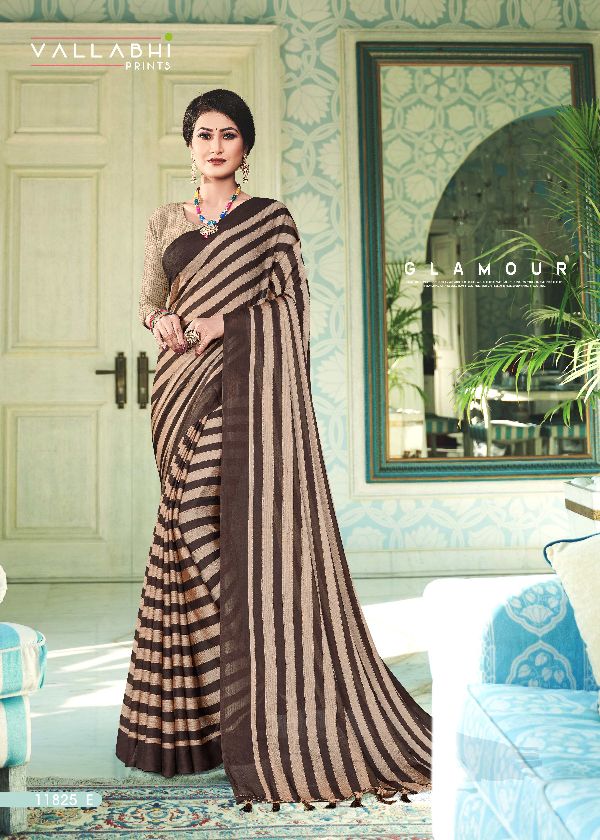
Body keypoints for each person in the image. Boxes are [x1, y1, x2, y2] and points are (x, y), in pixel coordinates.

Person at [115, 88, 432, 811]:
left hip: (243, 392)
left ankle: (274, 675)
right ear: (189, 144)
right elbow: (149, 299)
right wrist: (161, 322)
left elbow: (290, 309)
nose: (215, 145)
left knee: (210, 530)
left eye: (228, 134)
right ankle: (203, 723)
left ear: (245, 146)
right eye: (203, 134)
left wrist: (223, 324)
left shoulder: (270, 221)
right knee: (183, 538)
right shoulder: (165, 220)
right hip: (179, 391)